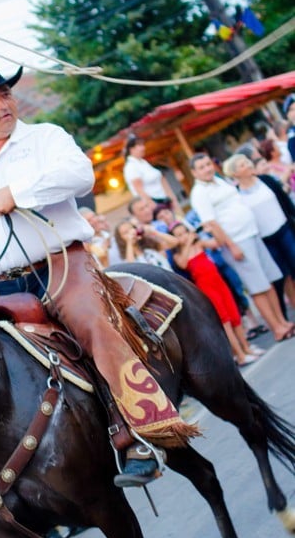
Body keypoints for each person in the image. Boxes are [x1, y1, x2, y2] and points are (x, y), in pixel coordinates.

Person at [0, 27, 199, 493]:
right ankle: (12, 477)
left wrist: (16, 194)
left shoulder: (44, 137)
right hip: (3, 287)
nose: (3, 104)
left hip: (62, 265)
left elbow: (80, 175)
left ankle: (139, 435)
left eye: (5, 94)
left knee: (90, 323)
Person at [189, 153, 293, 342]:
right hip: (237, 240)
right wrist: (231, 245)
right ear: (194, 172)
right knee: (257, 286)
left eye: (207, 164)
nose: (207, 168)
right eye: (202, 167)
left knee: (269, 280)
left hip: (252, 232)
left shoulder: (219, 181)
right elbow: (211, 223)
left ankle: (283, 322)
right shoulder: (200, 193)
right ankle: (276, 327)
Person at [169, 222, 262, 366]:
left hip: (219, 283)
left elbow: (217, 243)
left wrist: (213, 229)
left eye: (185, 232)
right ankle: (239, 354)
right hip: (207, 287)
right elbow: (183, 264)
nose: (184, 236)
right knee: (224, 321)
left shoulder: (200, 244)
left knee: (234, 315)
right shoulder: (179, 255)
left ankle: (246, 347)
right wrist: (187, 243)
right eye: (179, 235)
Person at [122, 134, 182, 214]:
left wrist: (172, 198)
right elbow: (138, 188)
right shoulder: (131, 166)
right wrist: (151, 204)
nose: (143, 148)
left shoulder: (143, 162)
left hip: (164, 199)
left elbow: (161, 179)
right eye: (139, 145)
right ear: (131, 149)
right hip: (155, 204)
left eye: (142, 145)